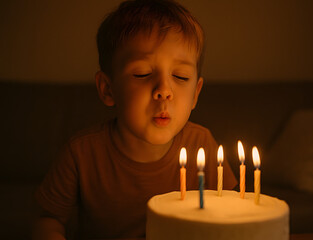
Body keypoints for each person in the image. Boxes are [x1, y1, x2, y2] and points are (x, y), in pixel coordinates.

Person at [33, 0, 237, 239]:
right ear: (108, 89)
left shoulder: (202, 144)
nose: (164, 90)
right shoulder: (81, 153)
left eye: (180, 76)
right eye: (142, 73)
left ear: (196, 94)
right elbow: (47, 219)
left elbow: (233, 211)